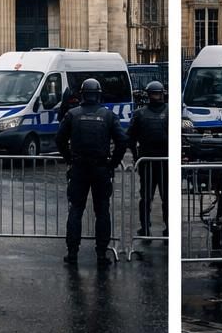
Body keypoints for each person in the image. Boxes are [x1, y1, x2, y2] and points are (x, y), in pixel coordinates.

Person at [56, 78, 126, 265]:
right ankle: (101, 254)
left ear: (82, 94)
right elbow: (122, 141)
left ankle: (72, 253)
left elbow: (59, 140)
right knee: (102, 211)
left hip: (79, 168)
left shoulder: (72, 114)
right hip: (101, 168)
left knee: (76, 210)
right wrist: (113, 163)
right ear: (98, 94)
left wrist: (69, 159)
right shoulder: (108, 116)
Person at [129, 80, 168, 238]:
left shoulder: (140, 113)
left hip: (152, 162)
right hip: (157, 162)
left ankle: (148, 227)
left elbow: (130, 138)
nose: (155, 96)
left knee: (151, 197)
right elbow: (130, 138)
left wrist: (136, 156)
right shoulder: (144, 113)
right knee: (151, 197)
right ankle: (150, 227)